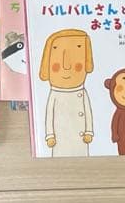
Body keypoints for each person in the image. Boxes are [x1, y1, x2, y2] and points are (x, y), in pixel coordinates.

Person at [39, 29, 94, 157]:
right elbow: (49, 115)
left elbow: (88, 112)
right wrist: (50, 135)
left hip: (80, 138)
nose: (66, 66)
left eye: (77, 65)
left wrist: (89, 132)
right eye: (56, 66)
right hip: (60, 137)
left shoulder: (82, 92)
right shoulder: (54, 94)